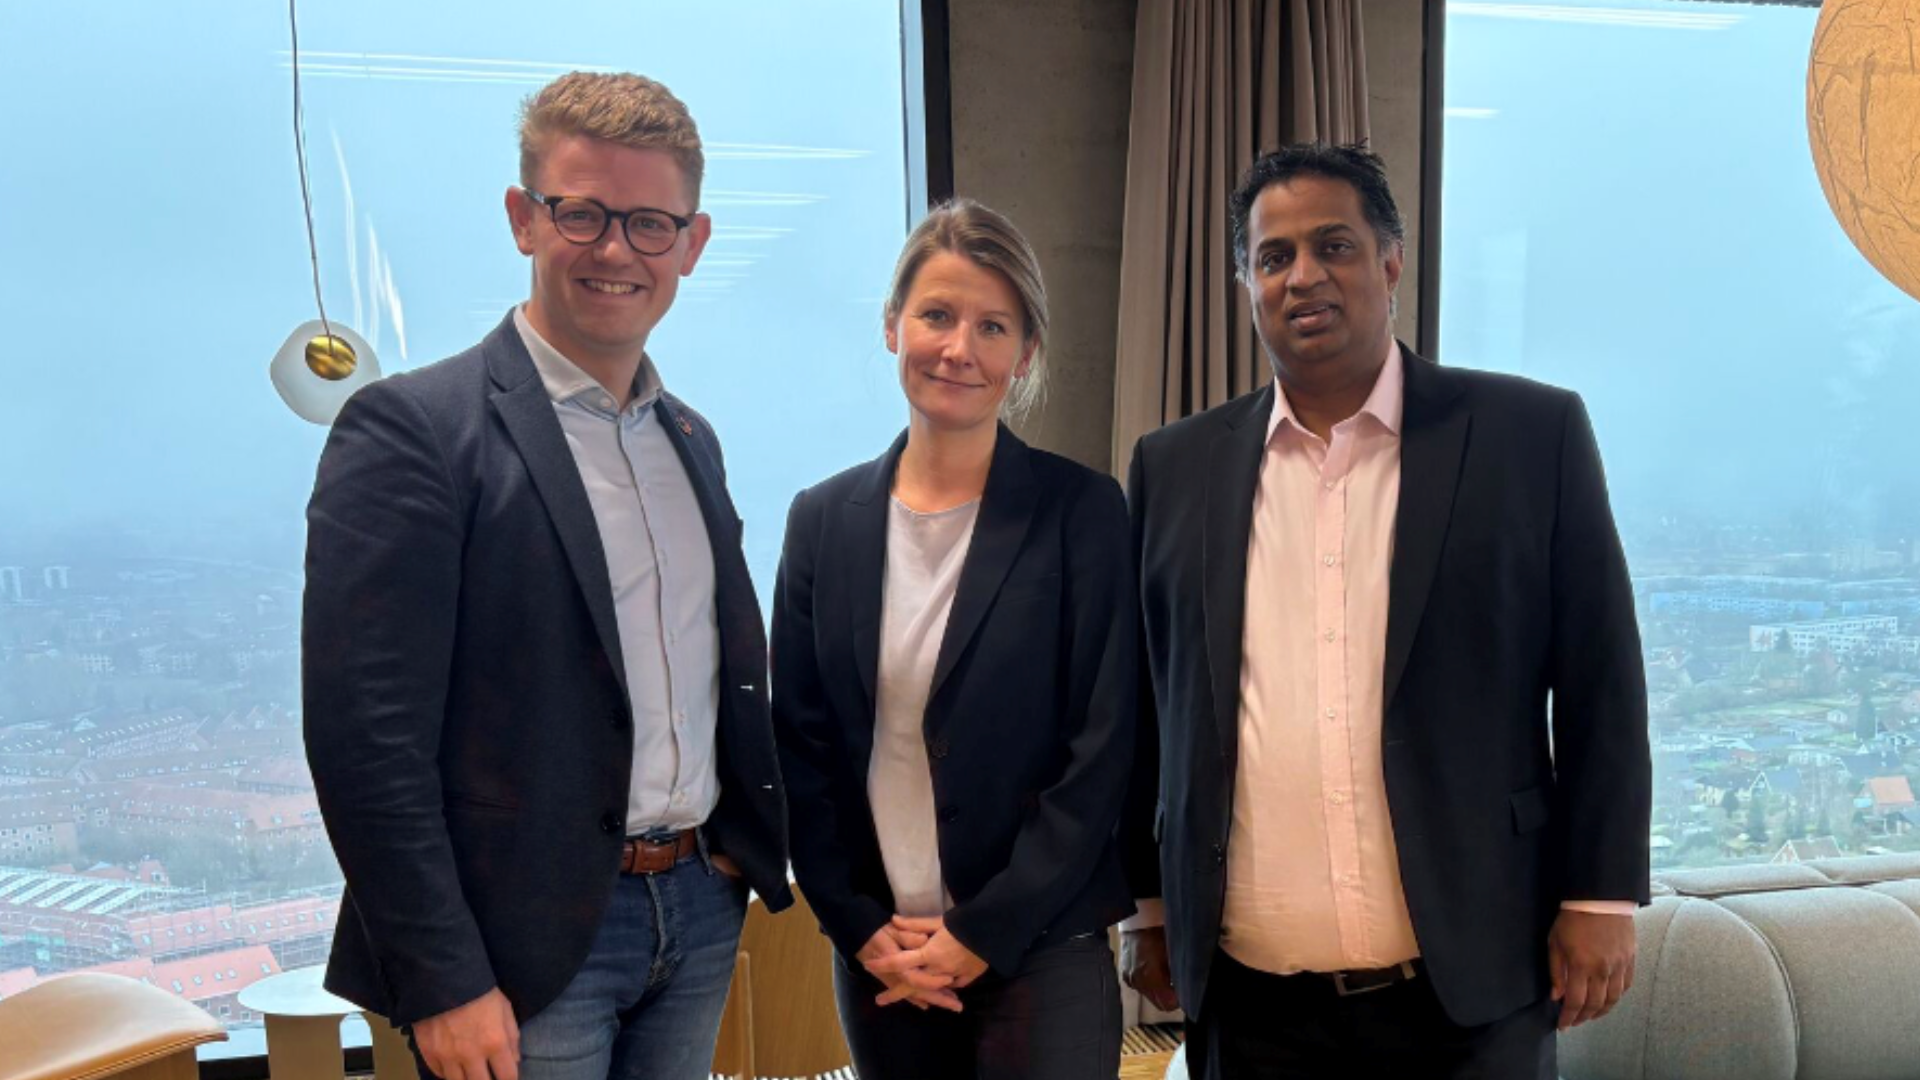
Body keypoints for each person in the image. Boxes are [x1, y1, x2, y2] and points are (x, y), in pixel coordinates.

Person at [1119, 143, 1651, 1078]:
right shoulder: (1175, 468)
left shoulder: (1529, 437)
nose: (1303, 276)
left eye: (1334, 245)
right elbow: (1146, 703)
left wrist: (1599, 895)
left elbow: (1601, 679)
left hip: (1472, 988)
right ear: (1246, 283)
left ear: (1392, 261)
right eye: (1274, 256)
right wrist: (1149, 907)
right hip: (1250, 1005)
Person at [303, 72, 792, 1080]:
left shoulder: (690, 438)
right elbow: (366, 740)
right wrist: (442, 978)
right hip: (518, 943)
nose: (616, 250)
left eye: (650, 223)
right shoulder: (414, 431)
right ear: (524, 219)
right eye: (583, 214)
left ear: (693, 244)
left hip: (697, 906)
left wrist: (729, 850)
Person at [771, 199, 1136, 1080]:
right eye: (936, 315)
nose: (958, 348)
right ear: (892, 325)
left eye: (992, 326)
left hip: (1040, 945)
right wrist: (855, 923)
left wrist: (983, 930)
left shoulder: (1082, 511)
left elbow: (1103, 749)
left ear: (1026, 353)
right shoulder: (822, 520)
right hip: (885, 951)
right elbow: (801, 748)